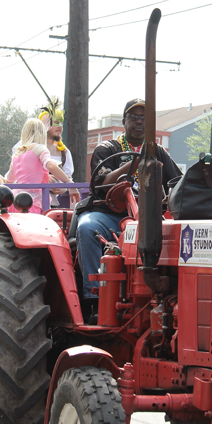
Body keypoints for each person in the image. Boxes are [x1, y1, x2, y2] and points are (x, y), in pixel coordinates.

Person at [76, 99, 182, 300]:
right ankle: (93, 297)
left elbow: (176, 182)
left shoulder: (157, 151)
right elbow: (101, 182)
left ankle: (169, 293)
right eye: (134, 117)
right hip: (109, 216)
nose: (140, 122)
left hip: (148, 218)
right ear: (124, 121)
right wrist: (133, 164)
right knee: (87, 228)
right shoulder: (107, 148)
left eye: (144, 118)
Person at [5, 119, 78, 214]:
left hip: (16, 203)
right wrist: (69, 183)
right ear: (42, 133)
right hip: (34, 204)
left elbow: (9, 180)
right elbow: (50, 166)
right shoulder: (39, 148)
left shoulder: (17, 154)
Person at [38, 99, 74, 209]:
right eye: (56, 123)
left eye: (61, 123)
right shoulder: (32, 148)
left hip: (55, 205)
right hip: (34, 201)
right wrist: (43, 178)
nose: (60, 128)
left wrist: (64, 188)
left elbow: (69, 177)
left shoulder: (64, 152)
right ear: (45, 125)